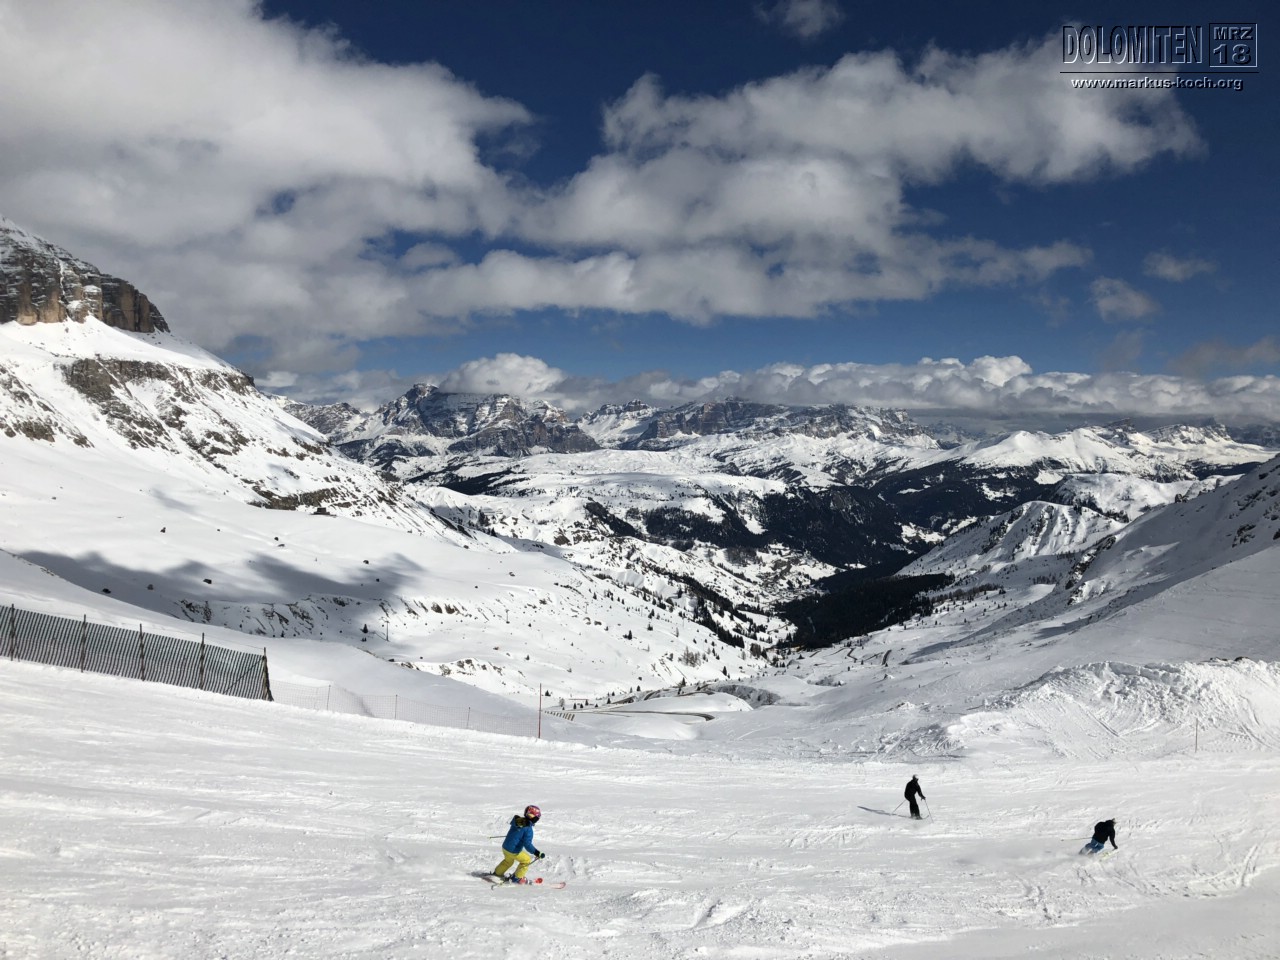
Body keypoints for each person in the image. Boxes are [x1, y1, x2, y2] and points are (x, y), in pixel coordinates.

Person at [492, 805, 545, 884]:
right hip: (513, 850)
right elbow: (527, 844)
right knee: (526, 860)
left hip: (505, 847)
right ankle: (517, 878)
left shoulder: (518, 821)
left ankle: (497, 873)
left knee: (508, 861)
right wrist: (537, 852)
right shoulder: (528, 829)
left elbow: (517, 833)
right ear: (534, 818)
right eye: (537, 818)